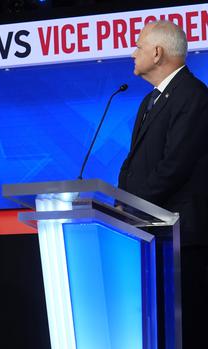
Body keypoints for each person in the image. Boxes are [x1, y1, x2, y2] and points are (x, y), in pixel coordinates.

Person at [118, 20, 208, 347]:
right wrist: (119, 201)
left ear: (157, 53)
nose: (133, 52)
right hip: (152, 234)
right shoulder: (149, 101)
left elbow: (175, 166)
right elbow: (134, 162)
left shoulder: (194, 95)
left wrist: (130, 203)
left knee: (188, 330)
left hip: (183, 238)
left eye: (139, 46)